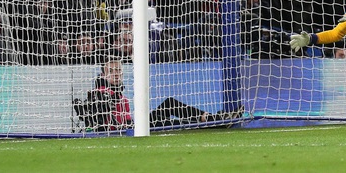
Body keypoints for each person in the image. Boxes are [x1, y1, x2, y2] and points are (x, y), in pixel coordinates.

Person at [78, 60, 242, 131]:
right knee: (170, 104)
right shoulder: (98, 94)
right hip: (124, 132)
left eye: (118, 71)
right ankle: (215, 120)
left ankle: (215, 121)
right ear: (103, 74)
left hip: (132, 128)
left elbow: (127, 121)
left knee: (173, 121)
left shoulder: (122, 97)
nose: (116, 74)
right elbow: (102, 122)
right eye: (111, 71)